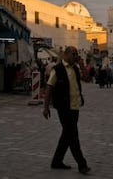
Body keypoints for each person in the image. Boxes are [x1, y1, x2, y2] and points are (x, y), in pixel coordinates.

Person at [42, 46, 91, 174]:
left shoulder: (75, 68)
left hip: (75, 106)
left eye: (76, 54)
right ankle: (82, 164)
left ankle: (57, 161)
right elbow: (49, 88)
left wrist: (82, 65)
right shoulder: (57, 70)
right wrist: (46, 107)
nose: (76, 57)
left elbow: (87, 79)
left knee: (67, 135)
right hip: (63, 108)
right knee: (73, 135)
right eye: (74, 54)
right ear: (67, 54)